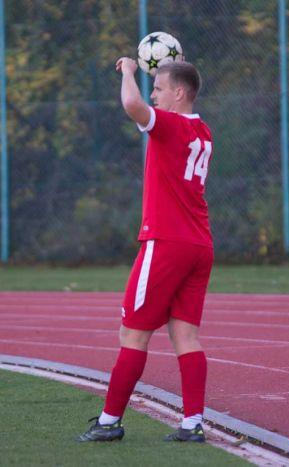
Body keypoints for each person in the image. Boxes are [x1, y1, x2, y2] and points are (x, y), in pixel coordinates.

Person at [78, 57, 214, 443]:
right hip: (200, 244)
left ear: (179, 93)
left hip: (167, 242)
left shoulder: (170, 124)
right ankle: (192, 423)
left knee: (132, 333)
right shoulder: (203, 131)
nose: (153, 94)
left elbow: (131, 105)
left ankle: (109, 422)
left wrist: (127, 72)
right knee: (185, 335)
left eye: (159, 88)